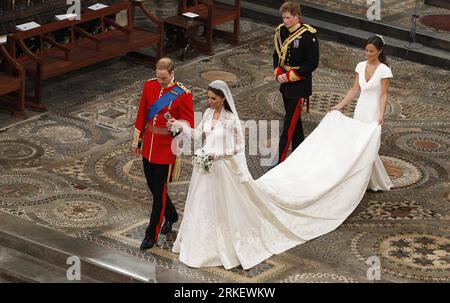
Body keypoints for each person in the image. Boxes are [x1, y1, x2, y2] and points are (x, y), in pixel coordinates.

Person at [167, 80, 382, 270]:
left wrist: (218, 155)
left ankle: (223, 245)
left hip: (221, 167)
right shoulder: (205, 114)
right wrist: (180, 125)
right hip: (204, 168)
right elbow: (197, 135)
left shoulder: (231, 120)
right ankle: (197, 245)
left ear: (223, 98)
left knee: (224, 206)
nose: (210, 101)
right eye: (208, 98)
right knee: (201, 205)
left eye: (213, 98)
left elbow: (239, 146)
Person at [132, 57, 194, 250]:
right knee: (152, 186)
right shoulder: (149, 86)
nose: (160, 81)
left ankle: (151, 233)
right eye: (158, 77)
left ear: (172, 73)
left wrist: (176, 124)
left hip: (167, 148)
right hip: (149, 143)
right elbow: (142, 113)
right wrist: (137, 140)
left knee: (159, 193)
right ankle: (172, 214)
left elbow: (189, 123)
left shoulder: (182, 94)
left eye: (164, 78)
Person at [331, 35, 393, 191]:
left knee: (368, 144)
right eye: (366, 50)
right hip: (361, 108)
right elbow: (354, 89)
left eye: (371, 51)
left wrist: (381, 114)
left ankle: (365, 180)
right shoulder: (360, 66)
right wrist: (340, 105)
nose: (368, 54)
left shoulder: (384, 70)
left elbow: (384, 94)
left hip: (373, 110)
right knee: (358, 143)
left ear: (379, 51)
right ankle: (361, 179)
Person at [273, 1, 319, 164]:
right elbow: (277, 55)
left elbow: (312, 63)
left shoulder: (308, 35)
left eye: (288, 18)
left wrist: (291, 75)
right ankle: (300, 156)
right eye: (283, 17)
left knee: (289, 126)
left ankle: (280, 162)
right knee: (295, 123)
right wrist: (278, 72)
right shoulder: (281, 31)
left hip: (299, 85)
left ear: (297, 17)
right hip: (285, 84)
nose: (284, 21)